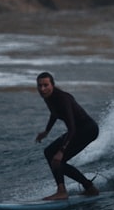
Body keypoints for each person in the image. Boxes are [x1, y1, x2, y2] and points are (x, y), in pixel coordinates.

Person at [34, 72, 100, 201]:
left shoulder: (62, 99)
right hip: (79, 130)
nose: (42, 89)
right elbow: (54, 113)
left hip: (87, 130)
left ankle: (65, 191)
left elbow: (72, 128)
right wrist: (46, 131)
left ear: (52, 85)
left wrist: (61, 151)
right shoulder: (48, 97)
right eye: (40, 86)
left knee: (58, 160)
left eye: (46, 85)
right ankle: (88, 188)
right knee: (48, 152)